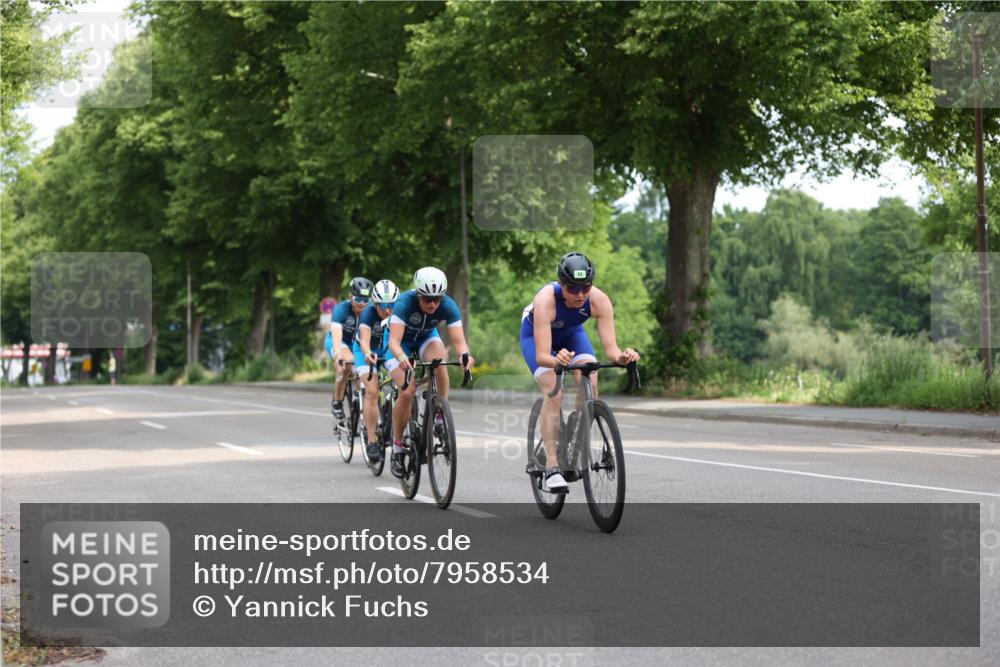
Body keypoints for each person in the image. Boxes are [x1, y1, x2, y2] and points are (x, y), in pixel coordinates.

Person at [520, 252, 639, 493]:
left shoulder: (599, 301)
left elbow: (612, 350)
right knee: (554, 393)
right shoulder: (546, 300)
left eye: (585, 287)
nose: (580, 294)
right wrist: (556, 359)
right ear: (561, 285)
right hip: (537, 339)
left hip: (572, 335)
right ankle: (553, 466)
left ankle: (573, 433)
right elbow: (543, 355)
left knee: (591, 379)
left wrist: (623, 357)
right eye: (573, 289)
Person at [385, 267, 474, 478]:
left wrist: (465, 356)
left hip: (426, 337)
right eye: (427, 299)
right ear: (418, 294)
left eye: (437, 298)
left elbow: (459, 342)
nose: (433, 303)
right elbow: (394, 343)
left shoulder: (449, 306)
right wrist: (402, 359)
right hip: (400, 345)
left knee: (440, 365)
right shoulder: (404, 303)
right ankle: (397, 449)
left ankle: (440, 416)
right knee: (407, 392)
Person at [353, 279, 399, 463]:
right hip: (365, 351)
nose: (388, 310)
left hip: (388, 350)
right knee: (372, 391)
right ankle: (372, 440)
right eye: (383, 305)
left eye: (392, 305)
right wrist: (367, 352)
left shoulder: (399, 313)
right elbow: (364, 340)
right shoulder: (368, 314)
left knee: (403, 386)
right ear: (376, 304)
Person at [327, 277, 374, 422]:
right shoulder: (341, 309)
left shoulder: (372, 311)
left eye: (365, 301)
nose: (361, 304)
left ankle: (358, 396)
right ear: (350, 296)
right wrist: (338, 356)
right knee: (347, 363)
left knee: (363, 371)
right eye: (357, 299)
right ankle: (337, 401)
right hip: (340, 342)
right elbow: (336, 336)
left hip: (358, 344)